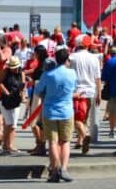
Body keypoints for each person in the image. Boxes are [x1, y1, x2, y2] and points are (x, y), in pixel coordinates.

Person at [35, 47, 77, 183]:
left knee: (52, 141)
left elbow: (38, 91)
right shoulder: (72, 73)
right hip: (66, 110)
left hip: (50, 110)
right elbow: (74, 89)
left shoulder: (48, 74)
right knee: (65, 141)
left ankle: (55, 168)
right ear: (67, 59)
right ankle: (64, 168)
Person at [69, 35, 101, 154]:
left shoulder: (72, 57)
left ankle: (84, 135)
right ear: (88, 45)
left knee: (76, 118)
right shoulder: (94, 58)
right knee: (84, 117)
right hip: (91, 91)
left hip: (76, 92)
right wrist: (99, 93)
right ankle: (80, 141)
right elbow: (97, 77)